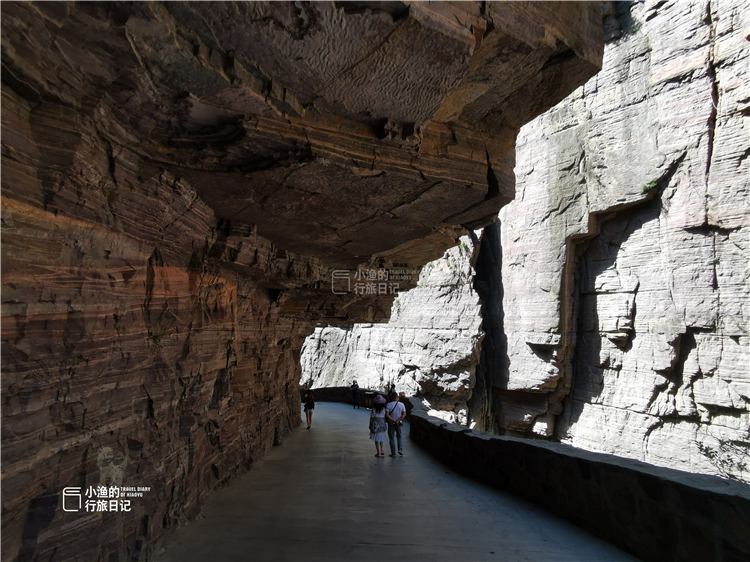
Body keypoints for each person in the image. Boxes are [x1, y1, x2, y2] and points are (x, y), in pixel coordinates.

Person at [385, 391, 406, 457]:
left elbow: (387, 415)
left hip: (391, 422)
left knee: (391, 437)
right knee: (399, 436)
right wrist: (399, 420)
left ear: (391, 398)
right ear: (397, 398)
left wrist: (393, 420)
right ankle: (400, 449)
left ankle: (393, 453)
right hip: (399, 423)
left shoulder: (389, 405)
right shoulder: (402, 404)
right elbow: (404, 414)